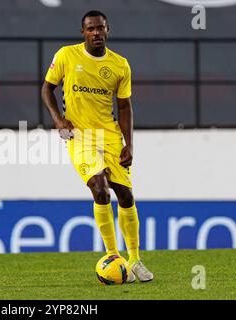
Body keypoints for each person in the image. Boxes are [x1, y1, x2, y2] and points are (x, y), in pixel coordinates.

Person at [41, 10, 153, 282]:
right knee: (99, 189)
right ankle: (114, 256)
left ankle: (135, 260)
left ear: (107, 30)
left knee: (125, 196)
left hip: (110, 135)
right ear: (83, 32)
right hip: (79, 136)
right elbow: (47, 89)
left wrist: (129, 144)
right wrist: (58, 120)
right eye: (90, 29)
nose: (96, 33)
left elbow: (125, 106)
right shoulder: (66, 56)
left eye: (100, 28)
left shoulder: (119, 65)